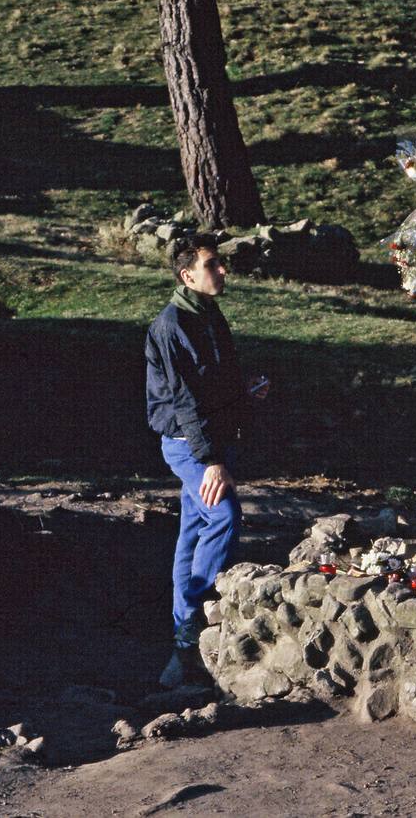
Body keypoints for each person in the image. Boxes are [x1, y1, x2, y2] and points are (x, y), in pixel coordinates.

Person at [145, 234, 269, 687]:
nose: (223, 272)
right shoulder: (174, 324)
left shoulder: (205, 313)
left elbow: (214, 382)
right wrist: (212, 460)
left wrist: (246, 391)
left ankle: (183, 640)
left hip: (207, 438)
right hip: (189, 442)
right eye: (213, 265)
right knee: (224, 516)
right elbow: (186, 400)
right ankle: (193, 620)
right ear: (187, 275)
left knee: (194, 527)